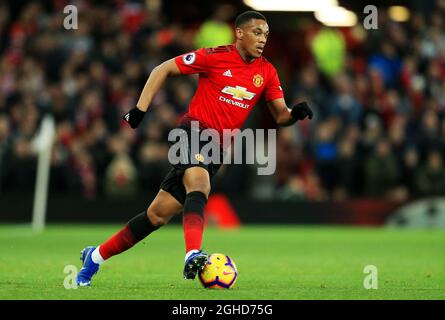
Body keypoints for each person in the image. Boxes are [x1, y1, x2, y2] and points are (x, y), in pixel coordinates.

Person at [76, 11, 313, 286]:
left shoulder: (267, 72)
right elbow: (162, 69)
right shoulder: (214, 56)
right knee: (199, 185)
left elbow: (280, 115)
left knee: (157, 215)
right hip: (192, 132)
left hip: (218, 148)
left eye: (266, 35)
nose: (263, 40)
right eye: (257, 33)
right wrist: (140, 110)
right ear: (239, 33)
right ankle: (192, 254)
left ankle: (94, 257)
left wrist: (295, 112)